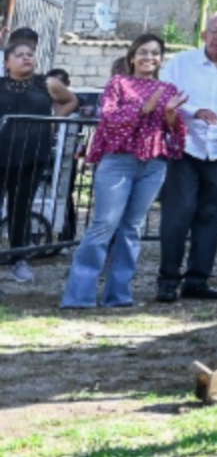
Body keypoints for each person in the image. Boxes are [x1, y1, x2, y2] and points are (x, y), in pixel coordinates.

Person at [60, 36, 185, 307]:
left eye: (155, 53)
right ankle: (79, 296)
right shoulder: (118, 84)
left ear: (161, 59)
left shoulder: (168, 88)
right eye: (143, 52)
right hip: (118, 161)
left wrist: (172, 116)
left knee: (132, 229)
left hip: (153, 163)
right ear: (132, 57)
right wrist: (143, 109)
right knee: (103, 225)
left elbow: (173, 131)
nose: (149, 57)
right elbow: (109, 120)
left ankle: (118, 295)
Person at [156, 13, 217, 301]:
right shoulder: (181, 63)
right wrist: (194, 111)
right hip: (187, 147)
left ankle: (197, 280)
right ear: (203, 35)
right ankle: (168, 280)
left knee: (211, 216)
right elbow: (165, 97)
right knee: (178, 215)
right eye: (214, 30)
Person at [1, 33, 76, 281]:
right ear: (7, 62)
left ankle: (18, 259)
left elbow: (71, 101)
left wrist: (54, 122)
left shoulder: (47, 83)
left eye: (29, 55)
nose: (26, 59)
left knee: (20, 209)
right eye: (19, 55)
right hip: (1, 154)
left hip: (31, 156)